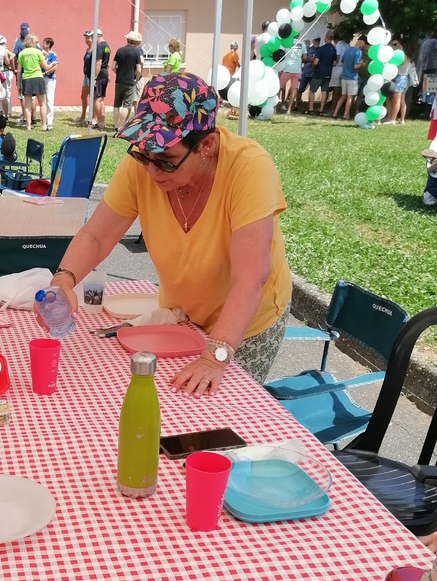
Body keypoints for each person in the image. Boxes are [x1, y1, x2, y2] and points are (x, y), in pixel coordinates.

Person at [38, 73, 292, 393]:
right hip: (184, 313)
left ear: (206, 146)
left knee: (215, 403)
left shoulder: (249, 167)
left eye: (167, 160)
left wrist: (215, 357)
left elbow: (250, 277)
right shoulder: (146, 162)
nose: (152, 170)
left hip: (245, 322)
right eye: (143, 155)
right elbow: (96, 236)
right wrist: (63, 280)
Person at [112, 31, 144, 132]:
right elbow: (139, 70)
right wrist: (136, 79)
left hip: (119, 81)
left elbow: (113, 66)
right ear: (136, 42)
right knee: (126, 105)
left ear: (127, 40)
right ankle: (121, 127)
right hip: (130, 82)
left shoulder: (119, 50)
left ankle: (115, 125)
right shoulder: (136, 52)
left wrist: (118, 73)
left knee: (116, 104)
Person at [16, 34, 48, 131]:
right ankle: (44, 125)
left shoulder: (22, 53)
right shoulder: (38, 52)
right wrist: (53, 64)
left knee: (27, 105)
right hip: (38, 77)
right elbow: (46, 67)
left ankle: (28, 126)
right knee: (42, 103)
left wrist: (18, 83)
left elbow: (19, 70)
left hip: (26, 79)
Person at [333, 34, 365, 121]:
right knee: (350, 97)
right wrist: (361, 64)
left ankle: (335, 113)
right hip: (352, 78)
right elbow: (355, 66)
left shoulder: (348, 50)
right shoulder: (358, 52)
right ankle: (345, 115)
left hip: (344, 76)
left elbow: (342, 62)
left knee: (343, 96)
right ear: (361, 42)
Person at [308, 32, 337, 115]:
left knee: (312, 90)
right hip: (328, 73)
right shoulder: (334, 49)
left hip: (319, 73)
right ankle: (321, 110)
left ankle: (311, 109)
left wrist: (314, 66)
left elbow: (315, 62)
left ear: (326, 37)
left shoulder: (321, 49)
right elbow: (334, 63)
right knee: (324, 91)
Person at [88, 29, 111, 130]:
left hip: (100, 74)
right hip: (104, 72)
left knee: (96, 98)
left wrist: (95, 77)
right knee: (101, 98)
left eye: (92, 36)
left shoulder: (99, 47)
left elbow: (98, 62)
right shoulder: (107, 46)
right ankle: (102, 122)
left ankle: (100, 123)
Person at [384, 38, 410, 124]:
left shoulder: (402, 55)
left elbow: (397, 63)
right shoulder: (395, 55)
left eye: (395, 44)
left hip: (401, 78)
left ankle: (393, 119)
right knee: (395, 99)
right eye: (392, 45)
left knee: (397, 99)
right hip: (395, 77)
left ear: (399, 44)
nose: (393, 46)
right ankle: (398, 119)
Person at [42, 37, 57, 130]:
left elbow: (55, 67)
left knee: (49, 100)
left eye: (44, 43)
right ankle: (45, 120)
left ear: (48, 45)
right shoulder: (41, 54)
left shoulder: (53, 55)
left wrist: (46, 73)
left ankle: (50, 122)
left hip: (49, 79)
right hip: (41, 78)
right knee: (43, 100)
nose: (42, 44)